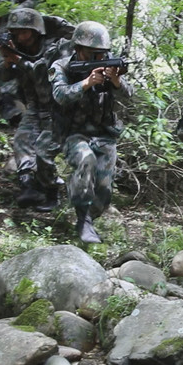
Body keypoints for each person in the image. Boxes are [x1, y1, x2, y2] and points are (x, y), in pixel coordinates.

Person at [50, 21, 133, 243]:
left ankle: (89, 216)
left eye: (101, 54)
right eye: (92, 54)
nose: (98, 59)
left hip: (103, 132)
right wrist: (85, 83)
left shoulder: (109, 65)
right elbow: (59, 95)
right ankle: (82, 219)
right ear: (78, 50)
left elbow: (129, 96)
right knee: (86, 161)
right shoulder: (62, 67)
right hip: (73, 133)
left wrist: (116, 81)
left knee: (104, 188)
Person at [0, 7, 74, 210]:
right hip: (35, 105)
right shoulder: (17, 48)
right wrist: (8, 60)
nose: (21, 37)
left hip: (59, 107)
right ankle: (28, 185)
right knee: (22, 140)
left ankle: (51, 191)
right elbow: (5, 78)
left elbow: (45, 74)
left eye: (25, 32)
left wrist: (18, 60)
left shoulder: (57, 47)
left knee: (43, 150)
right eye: (17, 33)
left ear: (36, 30)